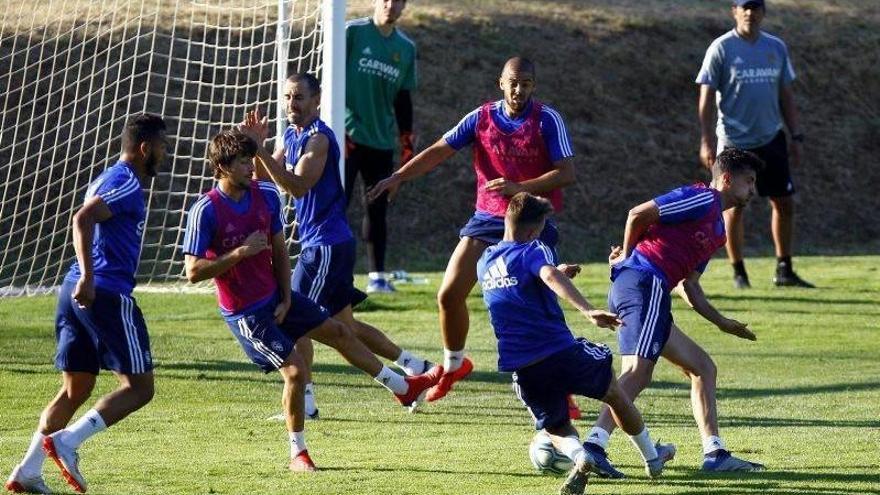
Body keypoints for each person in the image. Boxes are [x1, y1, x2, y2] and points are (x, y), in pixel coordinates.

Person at [181, 130, 441, 472]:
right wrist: (240, 252)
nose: (250, 167)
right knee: (295, 371)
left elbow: (279, 251)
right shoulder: (206, 210)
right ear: (221, 167)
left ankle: (401, 386)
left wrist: (288, 297)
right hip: (246, 312)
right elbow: (193, 271)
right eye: (242, 162)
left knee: (339, 332)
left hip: (276, 296)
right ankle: (297, 454)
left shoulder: (266, 196)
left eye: (250, 159)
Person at [368, 57, 576, 403]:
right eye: (513, 82)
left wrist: (519, 187)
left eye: (525, 83)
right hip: (487, 218)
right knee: (448, 295)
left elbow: (567, 173)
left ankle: (562, 388)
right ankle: (454, 365)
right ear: (500, 82)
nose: (518, 89)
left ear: (533, 86)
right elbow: (438, 150)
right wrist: (398, 176)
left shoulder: (547, 119)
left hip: (529, 221)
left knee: (541, 305)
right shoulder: (480, 118)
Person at [237, 73, 435, 417]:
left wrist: (260, 150)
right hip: (328, 244)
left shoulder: (320, 139)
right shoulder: (291, 134)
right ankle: (415, 367)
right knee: (347, 326)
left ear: (316, 101)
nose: (291, 105)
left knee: (294, 318)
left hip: (325, 246)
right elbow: (264, 178)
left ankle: (306, 403)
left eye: (298, 98)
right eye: (286, 98)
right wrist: (255, 149)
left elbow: (296, 186)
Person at [4, 114, 167, 494]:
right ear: (145, 148)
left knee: (75, 389)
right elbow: (82, 219)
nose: (165, 152)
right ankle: (67, 441)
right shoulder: (125, 182)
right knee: (140, 388)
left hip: (74, 290)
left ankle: (27, 471)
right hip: (104, 294)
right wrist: (90, 278)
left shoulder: (110, 177)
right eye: (162, 146)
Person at [582, 149, 767, 475]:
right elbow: (637, 215)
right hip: (643, 284)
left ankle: (715, 454)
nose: (753, 189)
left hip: (651, 292)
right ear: (726, 179)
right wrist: (626, 257)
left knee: (702, 368)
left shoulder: (718, 231)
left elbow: (689, 286)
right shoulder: (701, 199)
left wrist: (723, 323)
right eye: (748, 181)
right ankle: (594, 445)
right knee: (638, 371)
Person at [478, 192, 675, 495]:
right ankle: (652, 457)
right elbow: (546, 272)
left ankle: (580, 456)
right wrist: (587, 309)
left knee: (555, 426)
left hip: (522, 366)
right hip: (559, 351)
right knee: (614, 391)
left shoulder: (485, 262)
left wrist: (557, 273)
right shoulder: (534, 248)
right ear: (533, 230)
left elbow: (525, 283)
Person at [697, 0, 813, 289]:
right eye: (744, 7)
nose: (750, 12)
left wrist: (796, 134)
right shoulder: (721, 48)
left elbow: (786, 94)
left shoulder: (776, 47)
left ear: (763, 12)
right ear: (734, 11)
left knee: (784, 202)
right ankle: (739, 273)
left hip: (771, 137)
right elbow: (706, 97)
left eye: (756, 7)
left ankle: (784, 269)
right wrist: (706, 139)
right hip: (735, 141)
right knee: (733, 207)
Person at [345, 0, 417, 293]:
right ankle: (337, 274)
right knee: (338, 203)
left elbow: (403, 100)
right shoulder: (352, 33)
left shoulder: (406, 48)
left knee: (377, 209)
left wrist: (406, 142)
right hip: (346, 138)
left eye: (397, 0)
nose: (390, 5)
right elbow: (328, 80)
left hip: (381, 142)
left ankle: (377, 277)